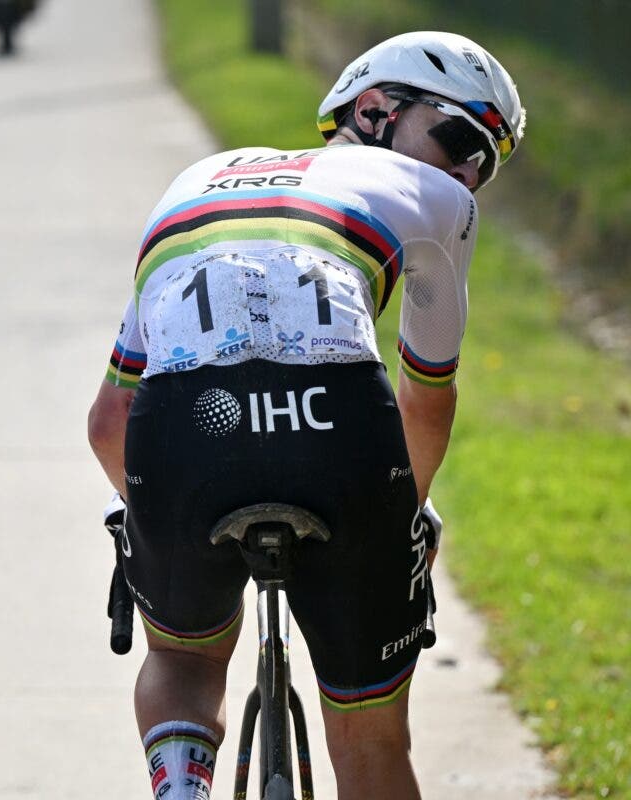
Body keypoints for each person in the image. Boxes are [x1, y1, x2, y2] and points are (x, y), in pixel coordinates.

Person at [87, 31, 524, 800]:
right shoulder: (442, 205)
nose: (466, 171)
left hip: (187, 425)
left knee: (185, 657)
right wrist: (400, 519)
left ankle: (181, 784)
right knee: (369, 734)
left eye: (483, 165)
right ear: (373, 109)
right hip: (340, 431)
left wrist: (150, 518)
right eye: (459, 138)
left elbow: (107, 419)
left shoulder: (196, 179)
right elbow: (427, 395)